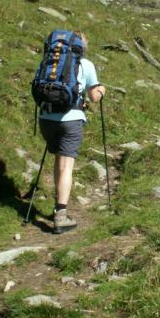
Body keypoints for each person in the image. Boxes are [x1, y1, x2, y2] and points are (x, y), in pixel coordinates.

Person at [38, 31, 106, 233]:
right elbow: (94, 97)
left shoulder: (50, 62)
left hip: (46, 118)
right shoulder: (86, 65)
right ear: (81, 48)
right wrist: (102, 89)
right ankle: (61, 215)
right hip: (71, 120)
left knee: (58, 161)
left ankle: (57, 204)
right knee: (66, 166)